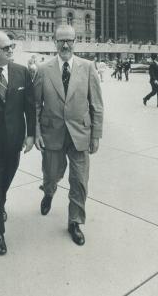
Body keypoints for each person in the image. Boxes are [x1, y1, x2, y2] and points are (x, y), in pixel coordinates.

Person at [34, 25, 103, 246]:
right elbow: (35, 106)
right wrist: (35, 132)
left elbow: (97, 105)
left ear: (75, 42)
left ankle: (75, 222)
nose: (65, 45)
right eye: (61, 41)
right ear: (54, 42)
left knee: (79, 180)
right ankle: (49, 191)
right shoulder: (43, 70)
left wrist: (96, 135)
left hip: (80, 134)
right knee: (51, 174)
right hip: (51, 133)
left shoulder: (88, 67)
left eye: (69, 41)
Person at [0, 31, 35, 256]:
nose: (11, 50)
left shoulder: (21, 72)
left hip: (14, 140)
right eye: (5, 48)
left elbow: (29, 107)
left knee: (6, 179)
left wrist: (31, 134)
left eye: (12, 46)